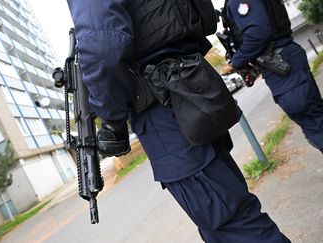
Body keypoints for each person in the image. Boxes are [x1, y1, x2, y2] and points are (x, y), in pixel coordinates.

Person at [66, 0, 290, 242]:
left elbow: (102, 48)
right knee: (220, 225)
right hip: (188, 89)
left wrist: (111, 120)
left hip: (164, 109)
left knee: (232, 223)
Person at [223, 0, 323, 152]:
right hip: (282, 62)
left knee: (314, 124)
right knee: (315, 118)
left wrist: (236, 61)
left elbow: (257, 34)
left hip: (281, 65)